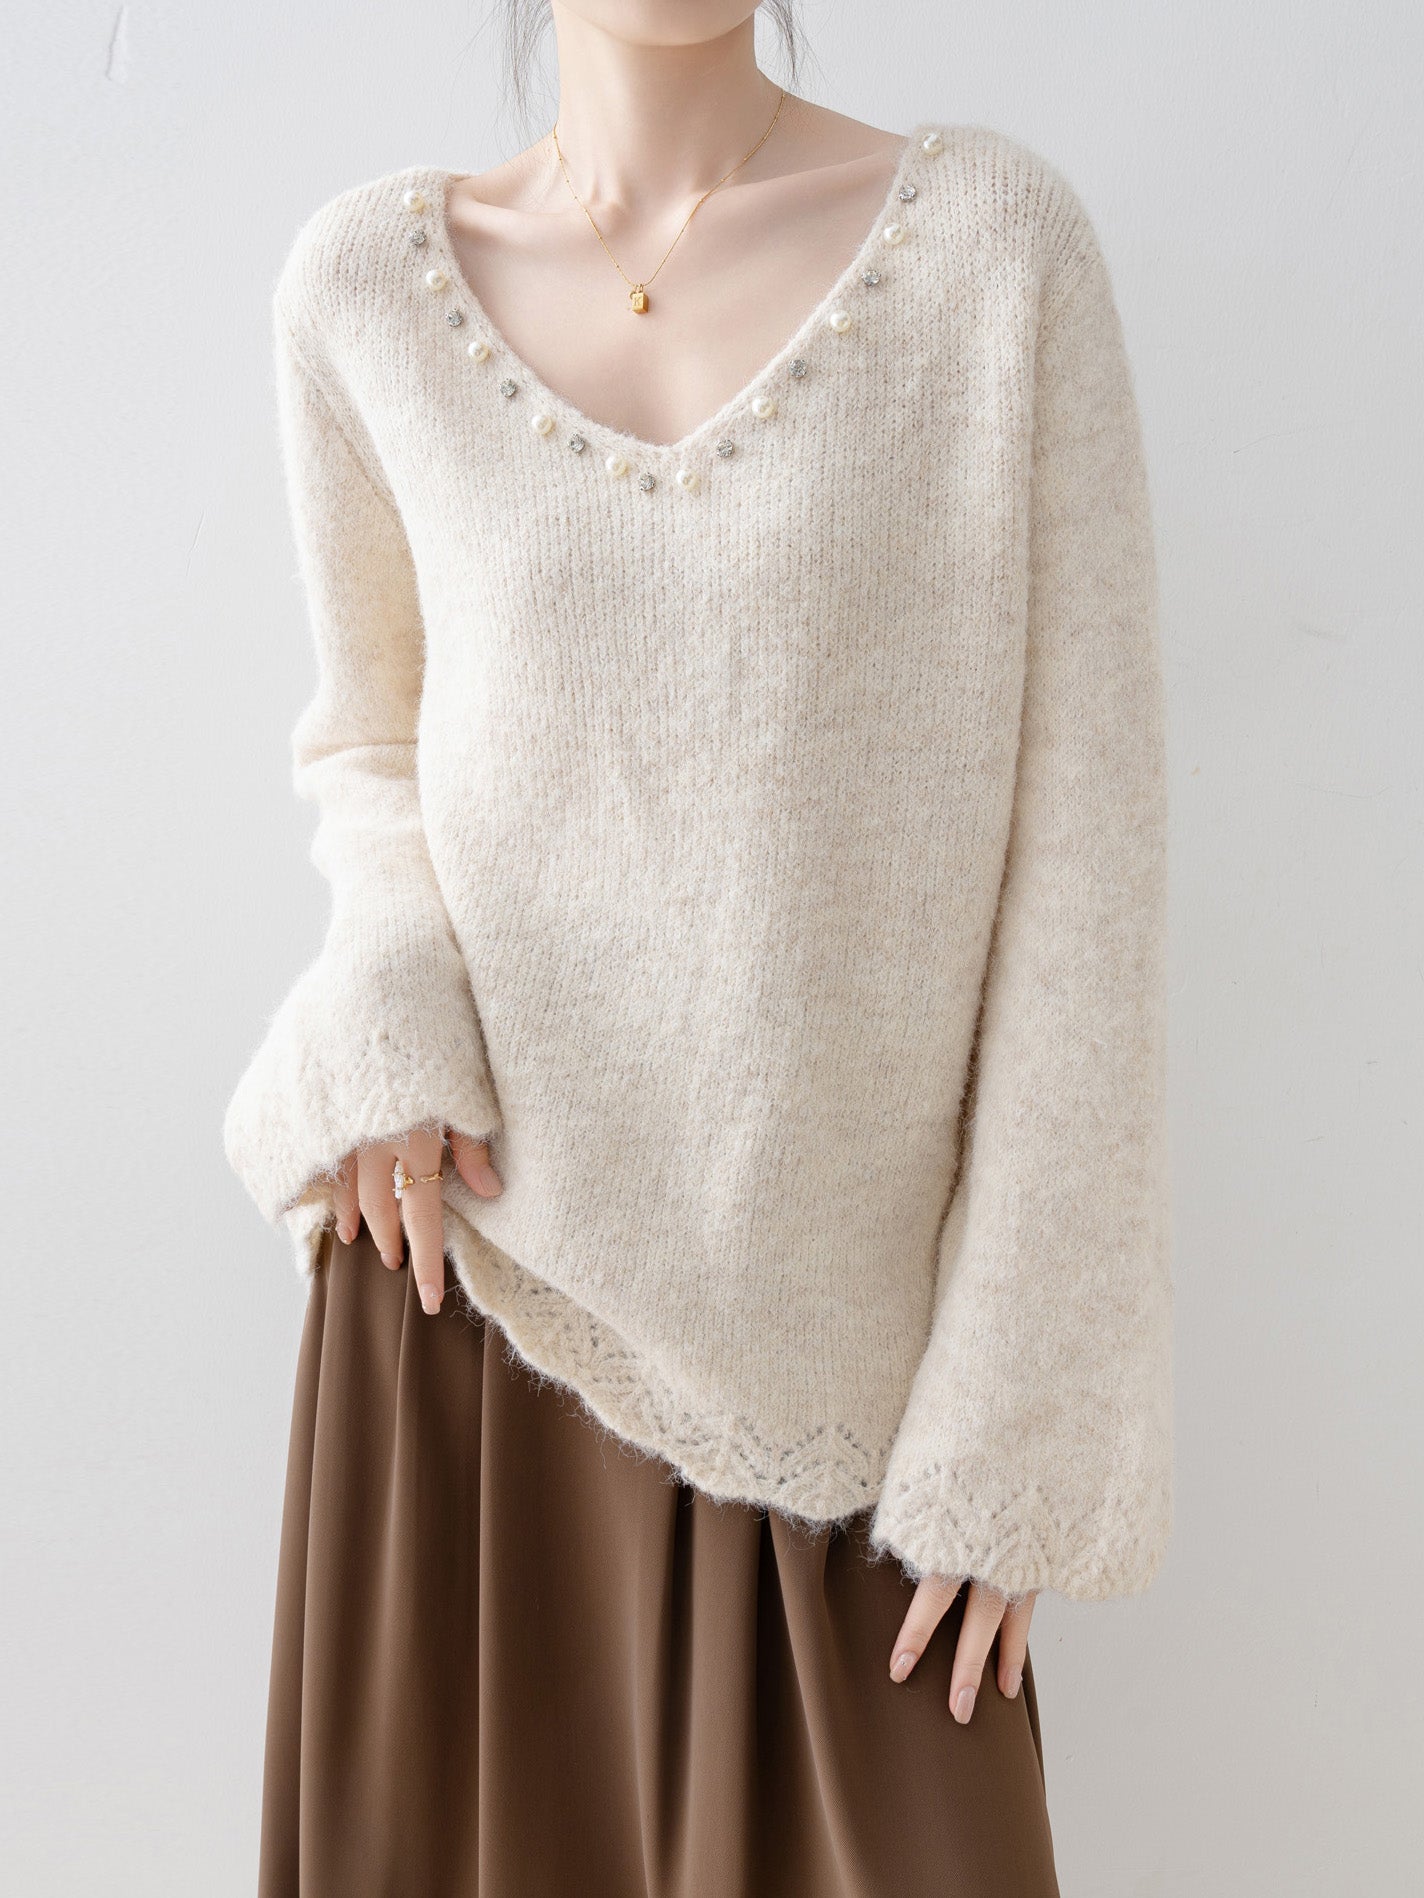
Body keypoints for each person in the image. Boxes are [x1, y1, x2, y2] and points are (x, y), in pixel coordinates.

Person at [222, 3, 1173, 1892]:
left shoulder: (998, 261)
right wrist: (391, 996)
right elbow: (368, 748)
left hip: (858, 1400)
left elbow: (1091, 867)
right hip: (460, 1310)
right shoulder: (363, 292)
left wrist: (1024, 1418)